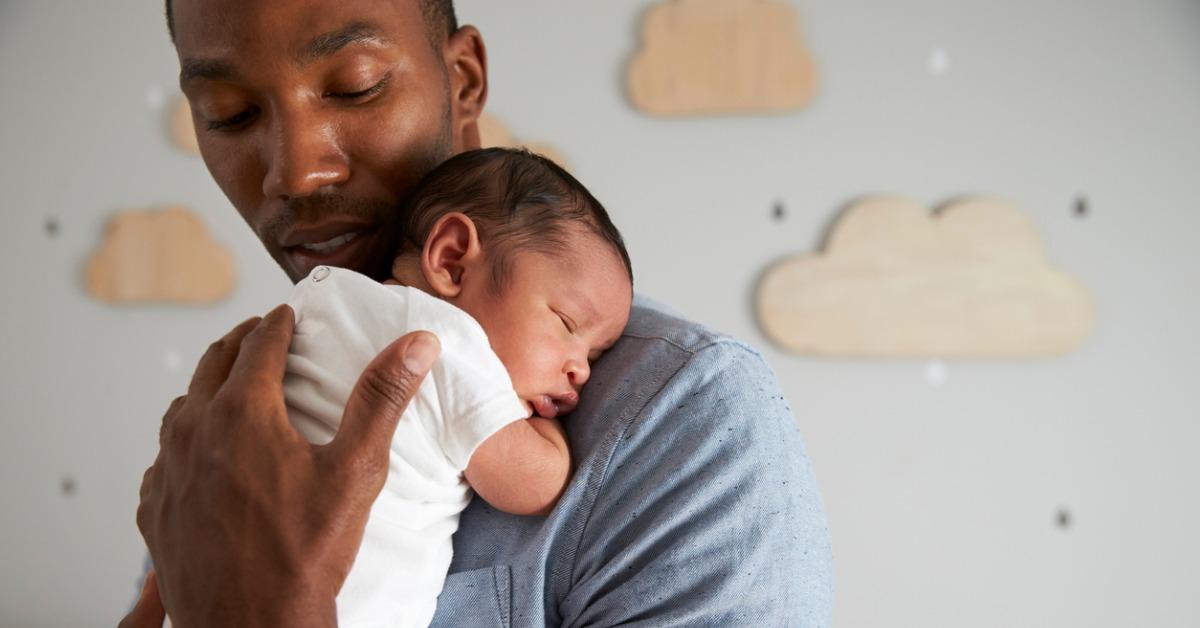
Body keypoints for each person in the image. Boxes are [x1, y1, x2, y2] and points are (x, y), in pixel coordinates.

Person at [124, 1, 833, 626]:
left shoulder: (683, 420)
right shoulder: (238, 410)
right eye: (230, 113)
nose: (296, 170)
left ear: (462, 80)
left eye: (355, 86)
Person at [281, 148, 631, 627]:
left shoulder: (325, 301)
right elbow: (536, 485)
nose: (582, 371)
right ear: (451, 262)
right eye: (567, 323)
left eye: (594, 356)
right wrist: (541, 428)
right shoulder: (447, 341)